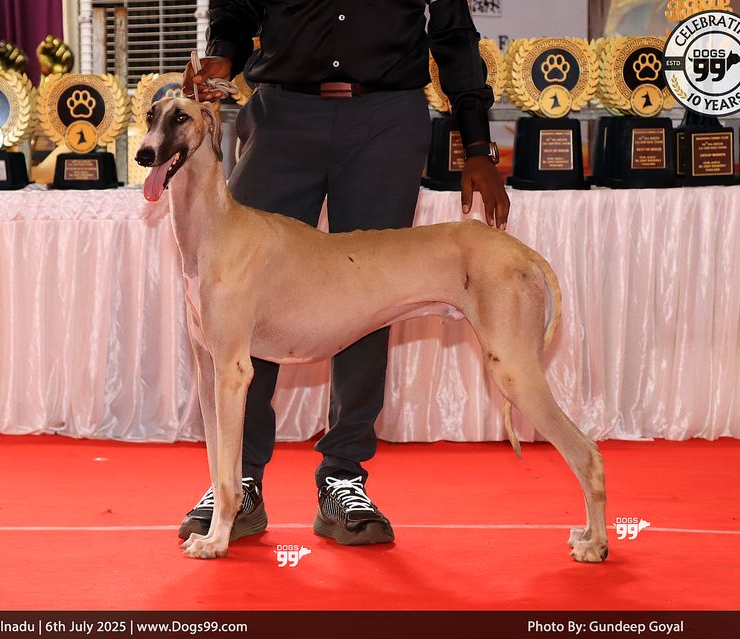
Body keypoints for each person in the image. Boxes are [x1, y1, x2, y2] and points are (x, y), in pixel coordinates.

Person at [179, 0, 510, 546]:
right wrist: (223, 53)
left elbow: (453, 32)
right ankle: (237, 484)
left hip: (386, 120)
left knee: (371, 298)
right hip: (281, 117)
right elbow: (237, 7)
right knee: (241, 296)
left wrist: (477, 145)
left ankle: (343, 476)